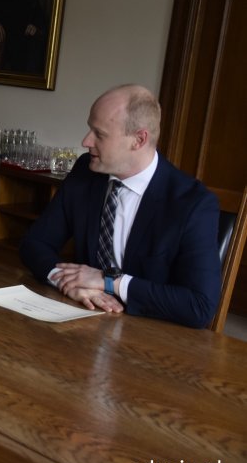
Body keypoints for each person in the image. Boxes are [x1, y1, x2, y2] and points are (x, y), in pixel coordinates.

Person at [19, 84, 221, 328]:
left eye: (99, 134)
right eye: (89, 129)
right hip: (83, 320)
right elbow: (35, 243)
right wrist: (68, 283)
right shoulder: (86, 170)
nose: (86, 141)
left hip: (150, 335)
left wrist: (109, 281)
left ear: (139, 139)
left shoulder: (192, 204)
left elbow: (198, 307)